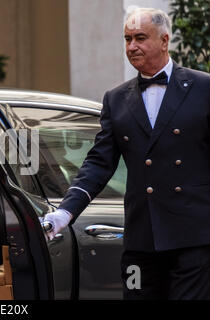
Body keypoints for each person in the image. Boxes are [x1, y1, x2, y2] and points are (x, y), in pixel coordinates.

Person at [44, 7, 210, 299]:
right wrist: (65, 212)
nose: (132, 46)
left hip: (193, 238)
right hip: (141, 239)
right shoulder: (116, 99)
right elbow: (98, 163)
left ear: (164, 40)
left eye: (141, 38)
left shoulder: (202, 87)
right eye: (127, 39)